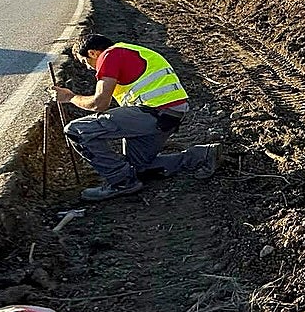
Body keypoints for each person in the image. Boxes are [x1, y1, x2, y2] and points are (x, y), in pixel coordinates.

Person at [53, 33, 221, 202]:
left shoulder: (109, 54)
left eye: (85, 62)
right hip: (170, 115)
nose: (89, 69)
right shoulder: (131, 51)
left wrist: (70, 97)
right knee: (137, 168)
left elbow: (100, 103)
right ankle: (202, 155)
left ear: (92, 53)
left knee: (77, 131)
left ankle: (121, 182)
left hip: (154, 112)